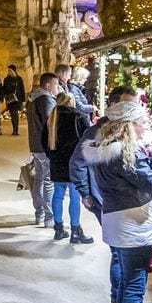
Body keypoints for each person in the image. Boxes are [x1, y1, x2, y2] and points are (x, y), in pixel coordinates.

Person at [82, 101, 152, 303]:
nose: (146, 125)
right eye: (142, 121)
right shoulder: (124, 154)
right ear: (128, 125)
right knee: (133, 286)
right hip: (133, 223)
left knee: (126, 284)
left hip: (117, 219)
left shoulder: (104, 149)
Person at [69, 86, 145, 303]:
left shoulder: (127, 131)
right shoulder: (98, 132)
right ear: (113, 106)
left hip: (124, 202)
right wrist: (85, 193)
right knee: (120, 256)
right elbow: (77, 162)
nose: (132, 113)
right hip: (109, 203)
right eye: (127, 106)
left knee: (125, 256)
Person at [45, 92, 92, 244]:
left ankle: (58, 229)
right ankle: (76, 231)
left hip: (57, 162)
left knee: (57, 194)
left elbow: (43, 141)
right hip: (74, 162)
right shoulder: (78, 116)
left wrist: (52, 156)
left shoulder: (51, 118)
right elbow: (88, 137)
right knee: (74, 196)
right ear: (71, 102)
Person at [25, 73, 59, 226]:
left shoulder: (33, 98)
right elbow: (51, 122)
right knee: (48, 181)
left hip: (35, 144)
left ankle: (39, 213)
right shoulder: (46, 99)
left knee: (39, 179)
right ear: (48, 85)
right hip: (45, 146)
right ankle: (49, 217)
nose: (57, 88)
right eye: (56, 85)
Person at [2, 64, 26, 136]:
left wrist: (23, 100)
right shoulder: (6, 79)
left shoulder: (19, 79)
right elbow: (4, 89)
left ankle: (16, 130)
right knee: (12, 114)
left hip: (17, 99)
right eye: (8, 70)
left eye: (9, 70)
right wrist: (3, 96)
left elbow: (22, 89)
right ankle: (14, 129)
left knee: (15, 114)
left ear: (13, 71)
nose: (8, 71)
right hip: (9, 99)